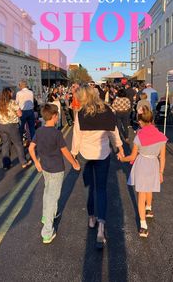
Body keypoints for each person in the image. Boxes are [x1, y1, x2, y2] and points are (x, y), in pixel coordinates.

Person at [71, 86, 124, 249]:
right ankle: (101, 226)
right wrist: (119, 147)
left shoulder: (81, 113)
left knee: (91, 187)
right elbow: (113, 132)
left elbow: (77, 135)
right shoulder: (107, 111)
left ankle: (92, 217)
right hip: (103, 154)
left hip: (86, 155)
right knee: (101, 188)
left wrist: (74, 154)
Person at [29, 104, 80, 244]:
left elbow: (31, 147)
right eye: (57, 115)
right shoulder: (57, 133)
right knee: (53, 196)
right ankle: (47, 232)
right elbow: (65, 152)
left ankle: (46, 215)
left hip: (45, 167)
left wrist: (36, 162)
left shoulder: (39, 131)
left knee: (47, 191)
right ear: (54, 116)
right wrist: (75, 164)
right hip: (57, 169)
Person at [118, 106, 167, 238]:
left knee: (141, 195)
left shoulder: (139, 138)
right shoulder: (161, 136)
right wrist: (161, 172)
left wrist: (122, 159)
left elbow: (133, 157)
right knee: (149, 188)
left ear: (141, 122)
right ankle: (149, 208)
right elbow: (162, 157)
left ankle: (143, 225)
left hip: (142, 164)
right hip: (154, 165)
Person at [0, 88, 31, 170]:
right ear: (9, 93)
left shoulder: (0, 103)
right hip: (11, 126)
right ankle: (23, 162)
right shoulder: (12, 102)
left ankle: (6, 165)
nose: (13, 94)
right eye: (12, 92)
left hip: (0, 125)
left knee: (5, 144)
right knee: (18, 144)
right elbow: (20, 114)